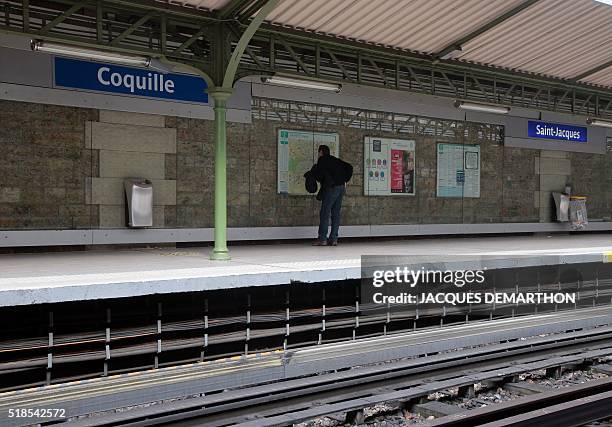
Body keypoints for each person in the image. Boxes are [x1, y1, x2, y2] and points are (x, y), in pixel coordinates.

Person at [310, 145, 353, 246]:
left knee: (325, 212)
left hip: (332, 188)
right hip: (341, 187)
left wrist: (313, 171)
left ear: (321, 152)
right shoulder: (335, 160)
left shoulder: (322, 160)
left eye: (318, 152)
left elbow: (319, 176)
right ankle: (333, 239)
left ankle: (322, 239)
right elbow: (349, 167)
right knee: (335, 213)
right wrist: (345, 180)